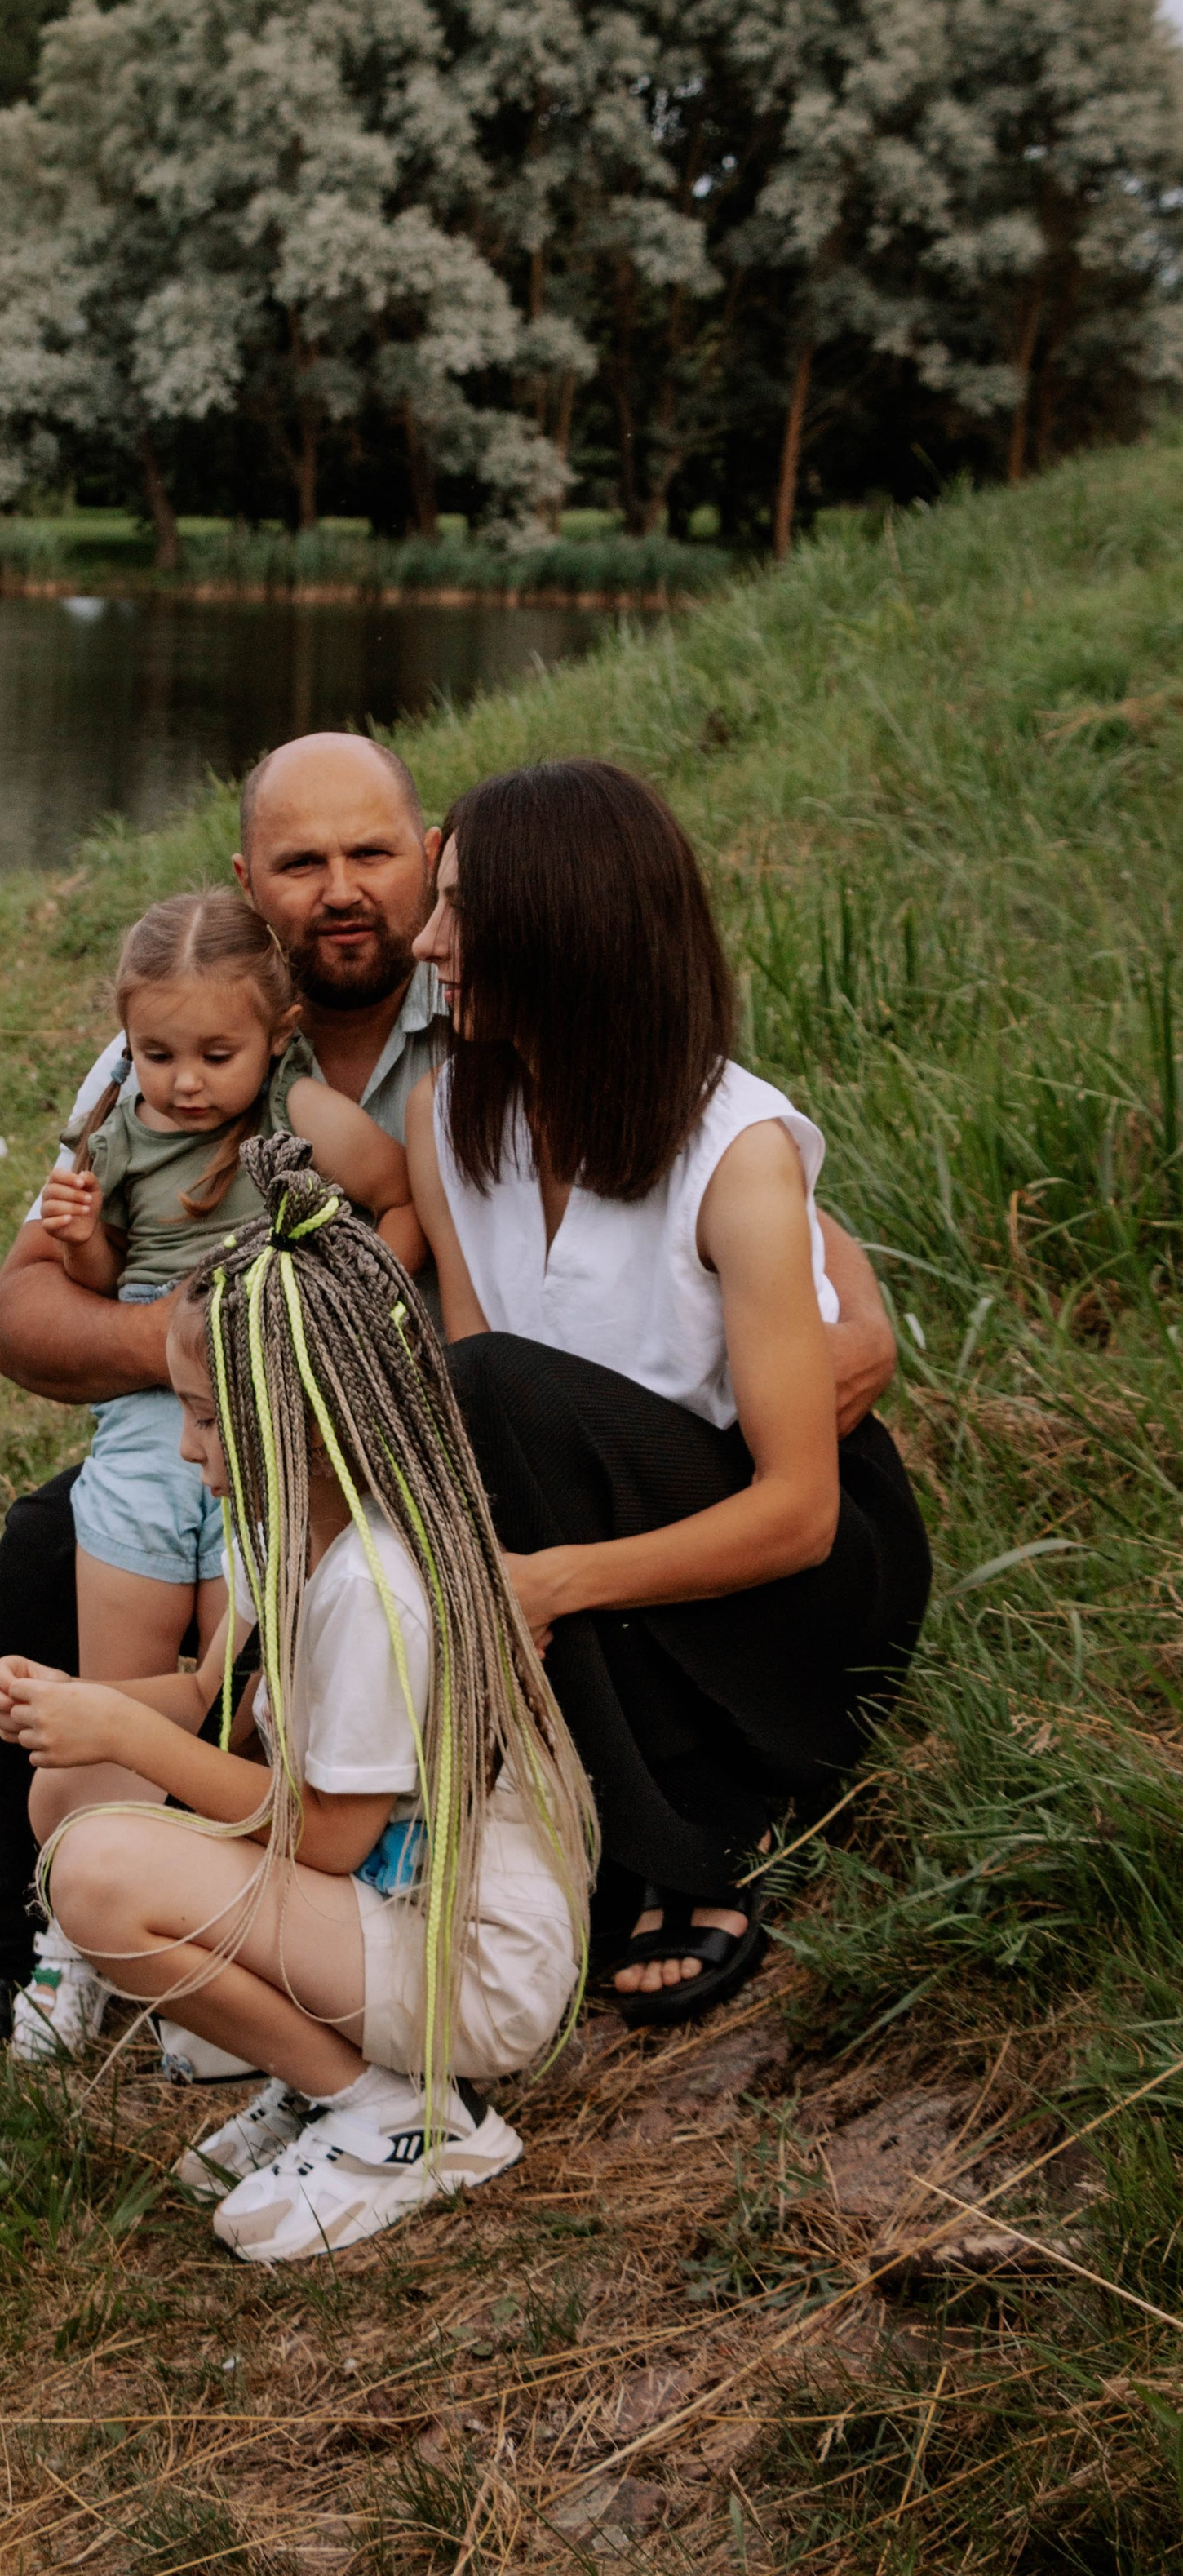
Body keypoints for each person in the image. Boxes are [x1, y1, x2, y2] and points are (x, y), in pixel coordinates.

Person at [0, 731, 897, 2068]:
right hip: (480, 1449)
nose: (409, 925)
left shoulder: (690, 1131)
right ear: (248, 881)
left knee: (479, 1417)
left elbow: (794, 1432)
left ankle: (681, 1843)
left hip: (741, 1532)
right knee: (75, 1532)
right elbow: (24, 1310)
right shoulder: (375, 1092)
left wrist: (526, 1578)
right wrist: (243, 1389)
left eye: (408, 876)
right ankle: (32, 1941)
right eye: (303, 862)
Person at [0, 1134, 596, 2263]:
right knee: (75, 1789)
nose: (188, 1448)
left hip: (470, 1960)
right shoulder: (286, 1528)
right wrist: (85, 1714)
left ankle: (401, 2116)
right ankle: (331, 2082)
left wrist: (123, 1728)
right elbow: (212, 1693)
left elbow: (327, 1837)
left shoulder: (377, 1586)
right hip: (385, 1910)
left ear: (309, 1415)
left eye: (210, 1419)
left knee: (99, 1873)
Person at [405, 758, 932, 2026]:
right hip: (605, 1544)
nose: (429, 942)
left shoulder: (735, 1151)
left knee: (496, 1396)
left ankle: (697, 1840)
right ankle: (595, 1815)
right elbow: (496, 1440)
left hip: (795, 1581)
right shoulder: (448, 1118)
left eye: (461, 909)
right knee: (488, 1409)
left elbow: (801, 1511)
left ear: (565, 921)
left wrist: (549, 1585)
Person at [15, 887, 419, 2053]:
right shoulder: (121, 1121)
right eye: (156, 1053)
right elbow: (96, 1276)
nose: (184, 1080)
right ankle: (75, 1942)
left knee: (235, 1699)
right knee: (111, 1691)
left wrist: (331, 1325)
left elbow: (396, 1200)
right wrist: (80, 1224)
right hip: (149, 1421)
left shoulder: (298, 1118)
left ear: (279, 1029)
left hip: (259, 1420)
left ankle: (217, 1943)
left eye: (214, 1053)